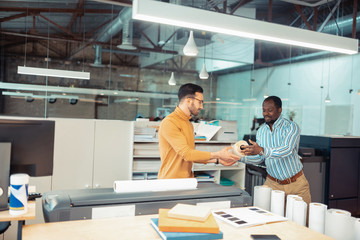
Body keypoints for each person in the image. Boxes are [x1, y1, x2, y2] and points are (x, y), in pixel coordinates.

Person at [157, 83, 240, 179]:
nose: (201, 107)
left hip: (187, 180)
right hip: (171, 181)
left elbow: (191, 156)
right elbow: (187, 154)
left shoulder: (188, 124)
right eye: (200, 102)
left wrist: (217, 160)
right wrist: (217, 154)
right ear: (189, 100)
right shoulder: (170, 122)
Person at [241, 96, 311, 206]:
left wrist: (262, 150)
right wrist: (239, 157)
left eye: (270, 110)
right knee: (270, 219)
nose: (266, 113)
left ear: (279, 110)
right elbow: (260, 158)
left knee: (302, 221)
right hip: (272, 184)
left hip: (296, 185)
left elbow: (286, 150)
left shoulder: (291, 127)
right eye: (264, 110)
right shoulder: (261, 131)